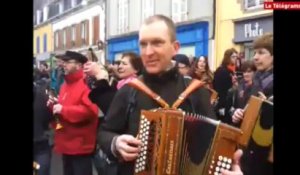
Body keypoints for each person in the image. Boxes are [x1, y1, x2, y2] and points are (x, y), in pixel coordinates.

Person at [96, 14, 244, 175]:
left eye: (157, 43)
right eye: (143, 44)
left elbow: (215, 145)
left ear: (175, 47)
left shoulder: (196, 91)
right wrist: (115, 143)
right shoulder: (129, 90)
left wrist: (230, 169)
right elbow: (104, 132)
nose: (148, 52)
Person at [47, 51, 99, 175]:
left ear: (79, 65)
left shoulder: (86, 84)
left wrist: (63, 109)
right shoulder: (65, 84)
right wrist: (53, 105)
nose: (63, 65)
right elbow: (63, 110)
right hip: (66, 144)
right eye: (63, 62)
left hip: (80, 146)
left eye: (67, 62)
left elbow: (90, 111)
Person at [231, 33, 273, 175]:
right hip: (250, 152)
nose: (255, 57)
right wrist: (239, 114)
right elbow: (248, 111)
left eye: (261, 53)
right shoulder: (256, 82)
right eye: (255, 53)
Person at [213, 48, 238, 121]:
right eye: (233, 57)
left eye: (236, 57)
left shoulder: (233, 70)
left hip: (230, 101)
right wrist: (222, 105)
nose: (235, 59)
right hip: (222, 102)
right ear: (227, 58)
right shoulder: (221, 70)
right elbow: (218, 88)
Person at [34, 79, 53, 175]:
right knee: (41, 170)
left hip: (40, 144)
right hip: (41, 141)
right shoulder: (43, 97)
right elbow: (51, 118)